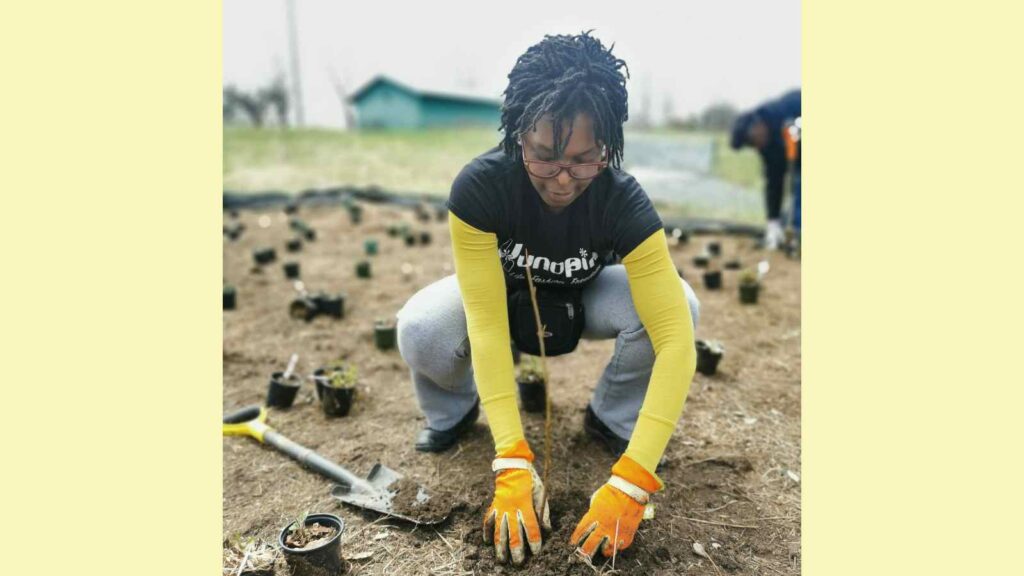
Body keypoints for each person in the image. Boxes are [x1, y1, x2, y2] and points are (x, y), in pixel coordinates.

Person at [395, 31, 700, 565]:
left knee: (683, 306)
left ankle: (612, 419)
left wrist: (633, 481)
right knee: (424, 327)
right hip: (503, 296)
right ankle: (454, 412)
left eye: (584, 160)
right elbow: (486, 324)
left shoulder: (623, 201)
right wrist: (512, 456)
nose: (563, 179)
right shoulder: (480, 188)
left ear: (608, 145)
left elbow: (676, 340)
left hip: (584, 298)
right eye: (544, 157)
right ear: (518, 136)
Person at [730, 89, 801, 249]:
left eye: (752, 141)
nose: (756, 147)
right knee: (787, 218)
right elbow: (774, 183)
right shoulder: (768, 148)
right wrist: (773, 221)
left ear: (757, 124)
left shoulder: (791, 105)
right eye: (751, 145)